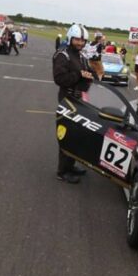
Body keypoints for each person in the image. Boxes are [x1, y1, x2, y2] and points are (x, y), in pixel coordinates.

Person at [52, 23, 95, 184]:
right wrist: (78, 74)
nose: (80, 43)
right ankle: (62, 171)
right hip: (67, 100)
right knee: (67, 135)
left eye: (83, 41)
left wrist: (89, 75)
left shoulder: (82, 56)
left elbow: (91, 74)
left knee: (77, 135)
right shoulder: (62, 55)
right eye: (77, 39)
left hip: (81, 100)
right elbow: (59, 79)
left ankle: (70, 165)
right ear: (70, 38)